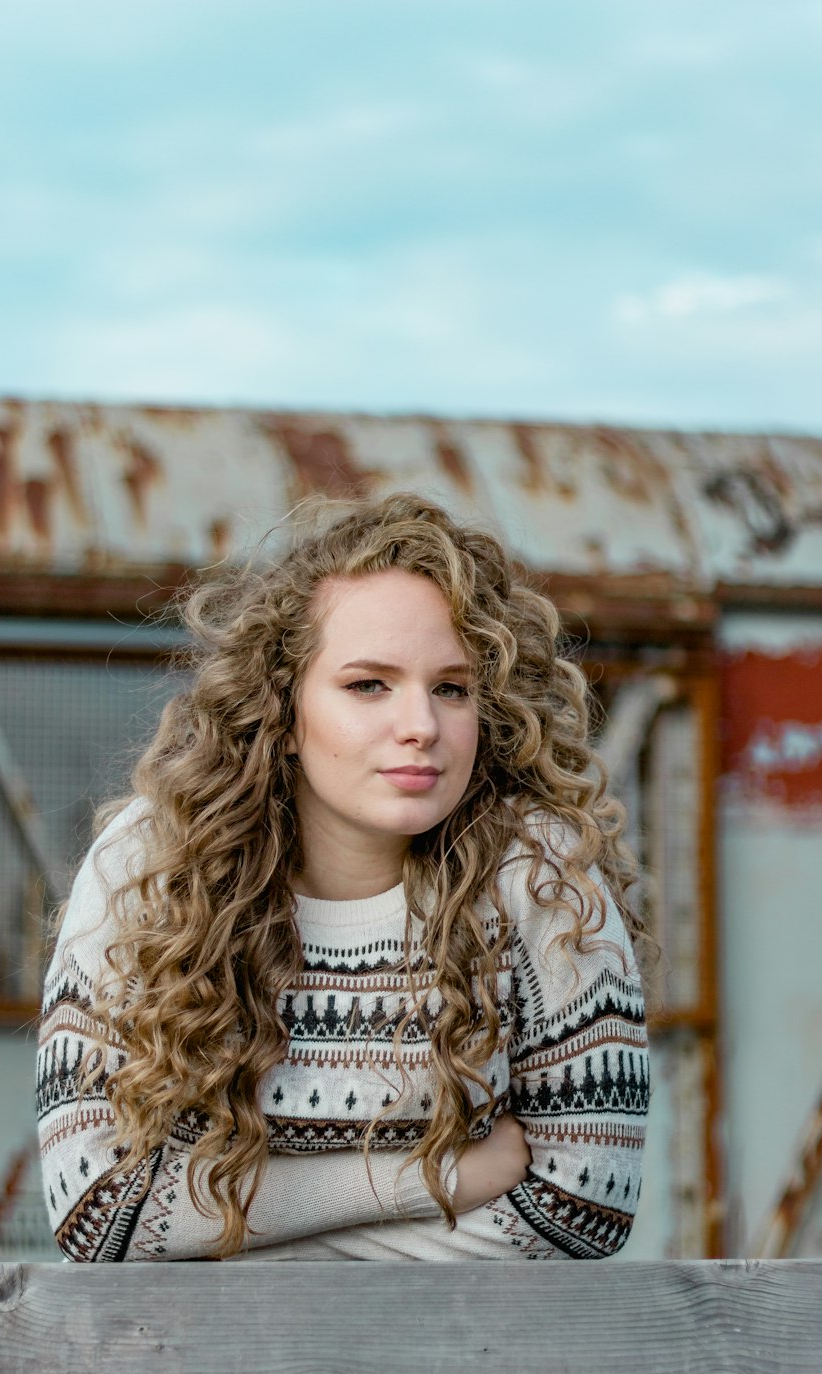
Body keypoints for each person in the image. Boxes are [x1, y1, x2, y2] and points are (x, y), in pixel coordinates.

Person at [36, 492, 649, 1261]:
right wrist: (439, 1181)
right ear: (283, 712)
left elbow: (582, 1210)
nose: (421, 725)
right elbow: (100, 1210)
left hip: (464, 1371)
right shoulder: (151, 863)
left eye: (451, 687)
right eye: (369, 685)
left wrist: (233, 1241)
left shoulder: (542, 877)